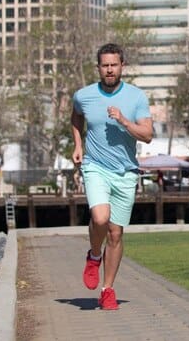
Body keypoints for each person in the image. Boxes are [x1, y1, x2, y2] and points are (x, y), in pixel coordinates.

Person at [71, 43, 153, 311]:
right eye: (104, 65)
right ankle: (94, 255)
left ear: (122, 66)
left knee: (116, 235)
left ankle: (108, 290)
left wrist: (125, 122)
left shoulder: (136, 97)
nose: (109, 69)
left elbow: (148, 135)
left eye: (113, 65)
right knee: (100, 218)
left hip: (126, 171)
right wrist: (78, 145)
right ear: (98, 67)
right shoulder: (83, 96)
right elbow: (76, 117)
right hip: (95, 166)